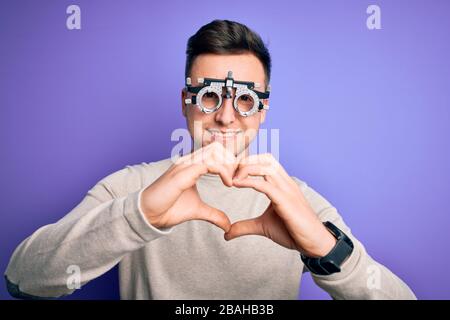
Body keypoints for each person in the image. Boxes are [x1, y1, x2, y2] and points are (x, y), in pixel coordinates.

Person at [4, 19, 416, 300]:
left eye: (245, 100)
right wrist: (140, 213)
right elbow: (23, 281)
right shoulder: (129, 187)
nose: (225, 115)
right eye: (209, 96)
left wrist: (322, 247)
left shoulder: (297, 201)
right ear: (186, 103)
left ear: (262, 111)